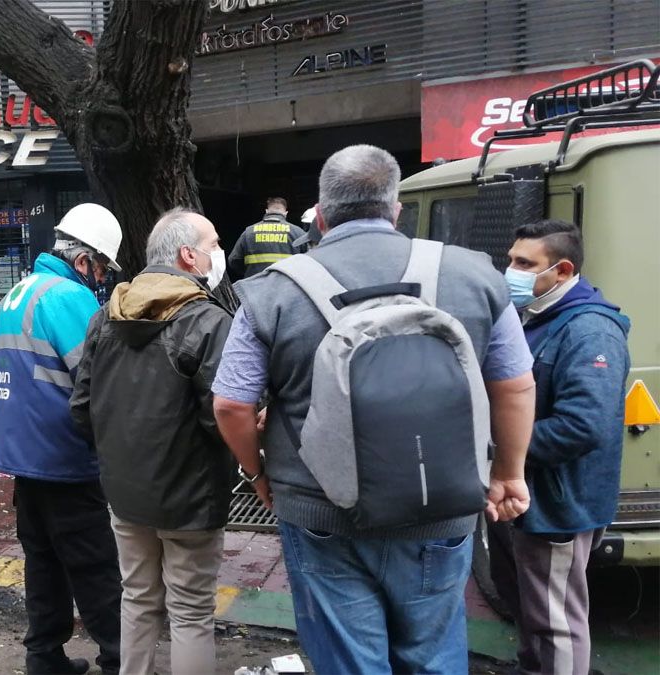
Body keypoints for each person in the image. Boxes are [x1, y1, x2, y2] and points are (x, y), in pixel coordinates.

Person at [212, 145, 536, 673]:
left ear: (319, 215)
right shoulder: (474, 276)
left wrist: (258, 473)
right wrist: (509, 473)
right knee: (432, 653)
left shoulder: (274, 291)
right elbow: (516, 386)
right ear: (396, 210)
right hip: (442, 503)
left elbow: (230, 404)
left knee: (350, 660)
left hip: (321, 511)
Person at [71, 209, 235, 675]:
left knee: (138, 598)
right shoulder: (207, 321)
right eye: (214, 244)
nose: (218, 254)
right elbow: (222, 414)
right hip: (191, 497)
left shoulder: (106, 317)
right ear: (189, 255)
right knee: (190, 612)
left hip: (124, 495)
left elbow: (82, 409)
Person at [0, 203, 123, 675]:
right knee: (96, 568)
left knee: (43, 563)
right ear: (84, 259)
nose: (102, 278)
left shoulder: (17, 292)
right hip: (65, 456)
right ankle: (121, 661)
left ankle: (44, 658)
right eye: (102, 266)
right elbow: (97, 382)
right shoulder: (70, 298)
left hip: (23, 457)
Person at [500, 219, 630, 675]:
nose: (510, 271)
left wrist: (504, 446)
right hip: (529, 494)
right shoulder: (536, 316)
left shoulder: (589, 332)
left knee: (556, 620)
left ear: (562, 269)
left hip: (559, 502)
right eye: (510, 259)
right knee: (533, 609)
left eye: (523, 263)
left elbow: (582, 426)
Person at [227, 197, 308, 278]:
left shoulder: (249, 232)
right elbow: (310, 260)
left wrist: (250, 273)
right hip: (287, 285)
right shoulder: (298, 232)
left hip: (255, 285)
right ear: (285, 213)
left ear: (267, 211)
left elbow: (234, 260)